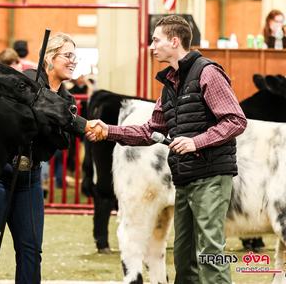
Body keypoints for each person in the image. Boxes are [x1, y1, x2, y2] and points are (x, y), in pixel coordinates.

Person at [86, 15, 247, 284]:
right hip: (185, 179)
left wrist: (197, 141)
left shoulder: (208, 72)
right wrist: (108, 130)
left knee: (209, 252)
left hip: (210, 177)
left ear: (174, 41)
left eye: (156, 40)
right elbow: (150, 130)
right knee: (185, 256)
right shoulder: (171, 84)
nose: (151, 46)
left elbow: (235, 120)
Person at [0, 33, 96, 284]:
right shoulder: (26, 82)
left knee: (31, 249)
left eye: (75, 56)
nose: (73, 61)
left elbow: (61, 141)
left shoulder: (68, 101)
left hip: (30, 179)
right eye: (68, 55)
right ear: (50, 58)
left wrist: (68, 124)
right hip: (0, 175)